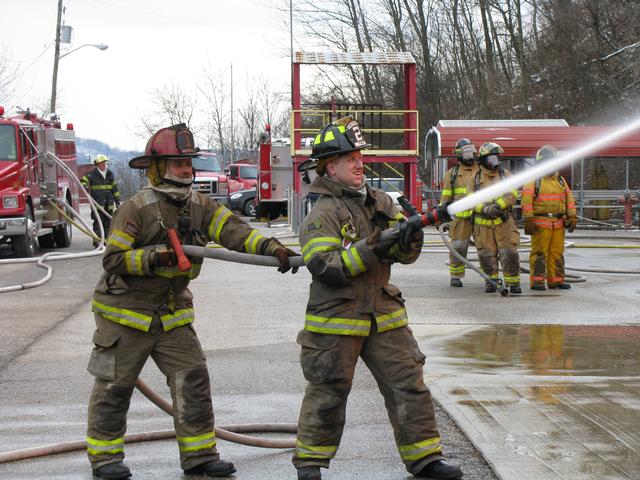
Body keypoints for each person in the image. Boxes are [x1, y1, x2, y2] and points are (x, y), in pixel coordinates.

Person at [85, 124, 298, 480]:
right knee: (114, 388)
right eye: (177, 163)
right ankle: (105, 459)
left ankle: (199, 455)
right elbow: (113, 260)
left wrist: (273, 249)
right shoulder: (135, 209)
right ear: (156, 167)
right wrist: (156, 257)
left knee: (192, 379)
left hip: (171, 314)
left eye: (189, 163)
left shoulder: (199, 204)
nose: (187, 170)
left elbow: (236, 232)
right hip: (124, 316)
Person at [293, 117, 462, 480]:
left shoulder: (381, 201)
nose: (359, 163)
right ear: (329, 167)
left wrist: (409, 237)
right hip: (336, 317)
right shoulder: (322, 214)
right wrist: (374, 245)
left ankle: (425, 459)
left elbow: (405, 257)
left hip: (383, 312)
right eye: (348, 158)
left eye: (359, 155)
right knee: (329, 391)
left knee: (409, 384)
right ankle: (310, 464)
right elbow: (327, 267)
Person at [521, 145, 577, 290]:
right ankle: (537, 281)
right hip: (540, 224)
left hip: (558, 223)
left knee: (557, 253)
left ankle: (556, 280)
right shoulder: (534, 180)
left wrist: (572, 216)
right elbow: (526, 201)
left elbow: (569, 199)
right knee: (539, 254)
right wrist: (528, 219)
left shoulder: (560, 181)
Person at [472, 142, 522, 294]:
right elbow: (469, 199)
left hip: (504, 223)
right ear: (482, 160)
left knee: (509, 253)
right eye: (491, 159)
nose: (495, 162)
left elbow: (512, 194)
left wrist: (499, 206)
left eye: (496, 158)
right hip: (483, 225)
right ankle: (491, 282)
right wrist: (484, 208)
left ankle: (513, 283)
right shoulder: (475, 178)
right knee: (486, 255)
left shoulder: (505, 175)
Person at [440, 138, 479, 287]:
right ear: (459, 155)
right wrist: (441, 216)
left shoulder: (481, 171)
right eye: (466, 152)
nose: (470, 156)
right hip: (460, 220)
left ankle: (490, 277)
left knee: (485, 248)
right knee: (458, 247)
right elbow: (446, 196)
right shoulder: (453, 174)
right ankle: (456, 276)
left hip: (480, 217)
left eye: (471, 152)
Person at [81, 154, 121, 245]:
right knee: (98, 223)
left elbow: (114, 188)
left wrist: (117, 200)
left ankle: (107, 241)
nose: (104, 165)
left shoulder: (110, 174)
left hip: (109, 204)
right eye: (102, 163)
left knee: (108, 224)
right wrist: (85, 186)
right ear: (97, 164)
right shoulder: (92, 174)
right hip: (97, 204)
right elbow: (83, 180)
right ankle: (98, 242)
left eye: (105, 163)